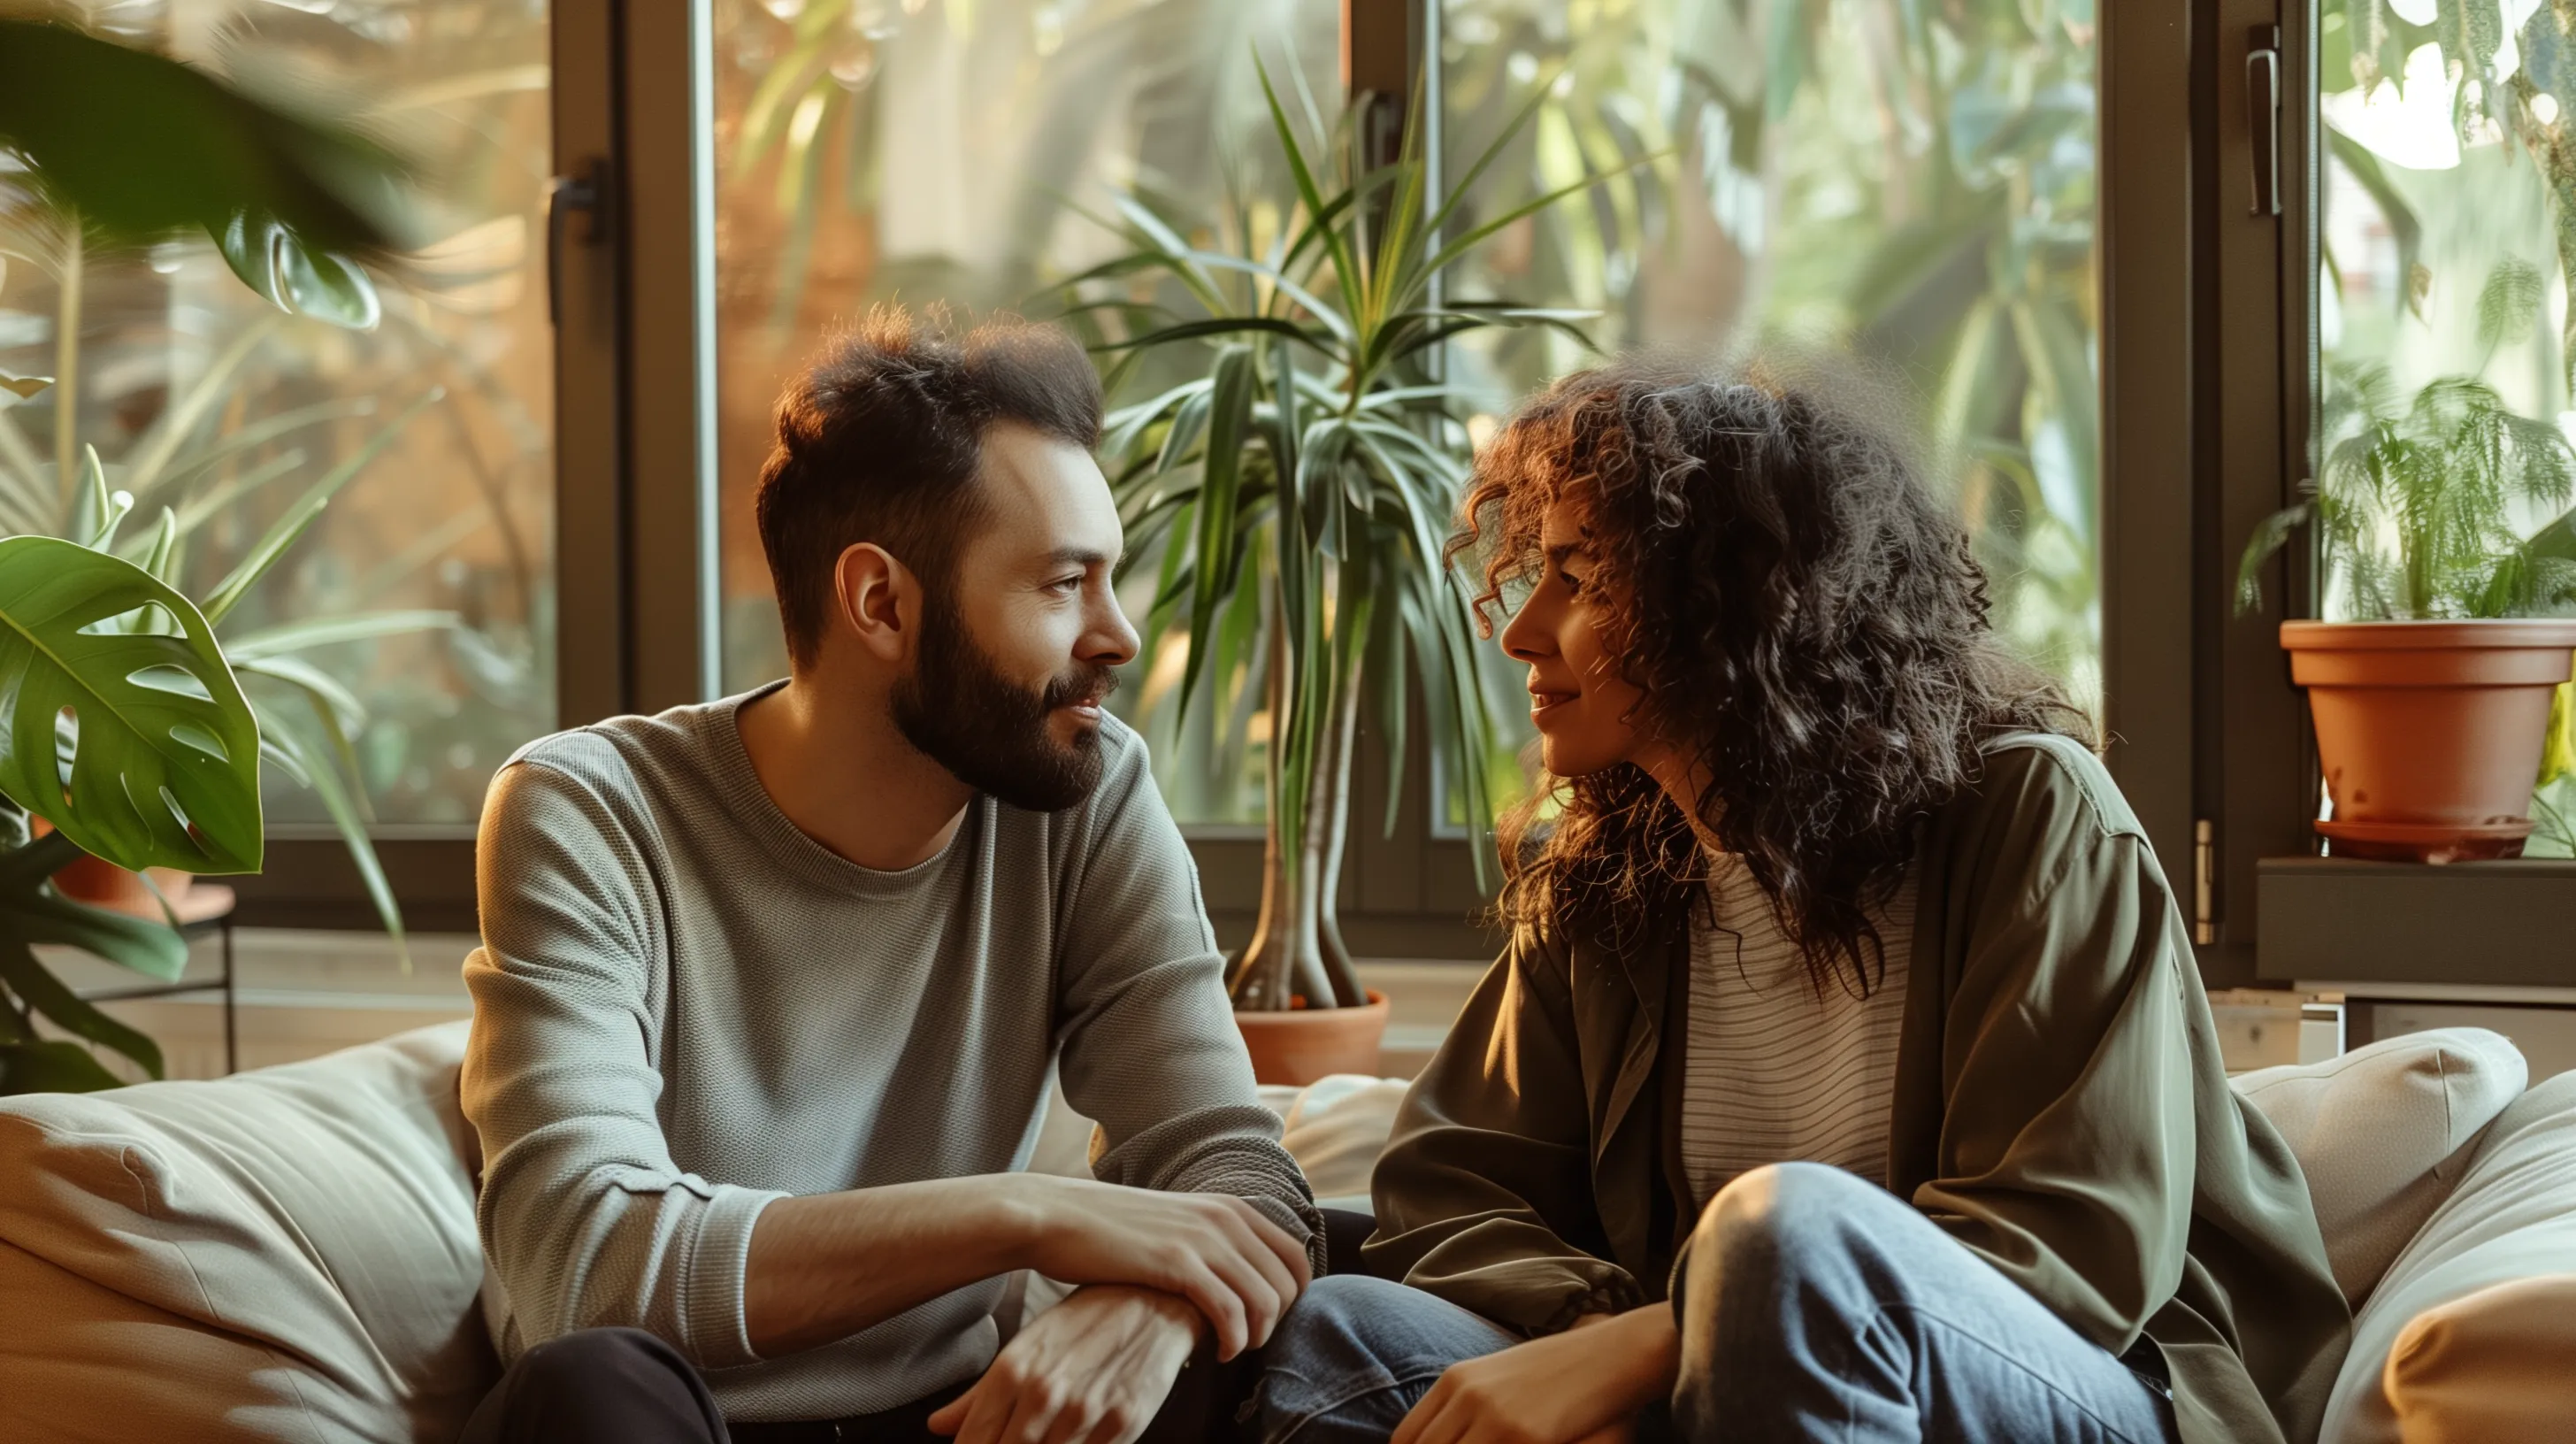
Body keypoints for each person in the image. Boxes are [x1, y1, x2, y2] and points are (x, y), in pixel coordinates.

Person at [1254, 362, 2353, 1444]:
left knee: (1784, 1235)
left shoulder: (2033, 813)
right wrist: (1598, 1336)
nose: (1518, 631)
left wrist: (1649, 1343)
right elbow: (1449, 1185)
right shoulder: (1606, 877)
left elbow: (2070, 1247)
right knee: (1344, 1330)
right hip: (1733, 1392)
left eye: (1578, 581)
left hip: (2076, 1384)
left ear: (1729, 608)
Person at [458, 309, 1320, 1444]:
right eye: (1064, 584)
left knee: (1273, 1319)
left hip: (955, 1419)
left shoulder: (1084, 793)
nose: (1116, 634)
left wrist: (1146, 1307)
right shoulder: (590, 811)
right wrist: (1027, 1216)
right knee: (590, 1390)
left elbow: (1238, 1174)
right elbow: (586, 1264)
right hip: (668, 1417)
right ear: (881, 603)